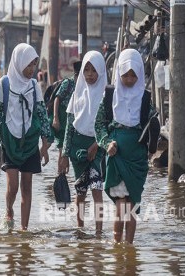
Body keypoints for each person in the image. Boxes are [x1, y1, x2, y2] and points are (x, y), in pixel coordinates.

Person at [94, 48, 156, 244]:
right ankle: (116, 245)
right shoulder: (110, 96)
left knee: (132, 204)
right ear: (118, 73)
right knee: (121, 204)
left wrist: (151, 147)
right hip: (116, 155)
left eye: (133, 75)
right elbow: (99, 125)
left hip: (137, 158)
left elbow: (152, 125)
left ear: (139, 74)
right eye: (125, 75)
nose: (129, 79)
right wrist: (106, 143)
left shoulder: (146, 98)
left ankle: (129, 246)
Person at [0, 43, 53, 230]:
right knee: (13, 186)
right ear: (19, 63)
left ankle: (24, 229)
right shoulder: (4, 84)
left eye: (34, 65)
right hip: (9, 140)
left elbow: (42, 114)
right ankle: (9, 209)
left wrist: (45, 142)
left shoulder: (34, 86)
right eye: (28, 65)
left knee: (27, 185)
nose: (31, 69)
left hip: (29, 140)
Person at [58, 51, 107, 235]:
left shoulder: (106, 96)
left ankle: (99, 231)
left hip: (97, 145)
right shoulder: (77, 94)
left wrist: (96, 144)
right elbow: (69, 128)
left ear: (101, 71)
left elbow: (107, 126)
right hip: (77, 148)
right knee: (80, 191)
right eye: (86, 70)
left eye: (94, 70)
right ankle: (80, 229)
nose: (89, 75)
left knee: (96, 188)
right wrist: (64, 154)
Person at [51, 60, 81, 169]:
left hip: (76, 117)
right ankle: (61, 174)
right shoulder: (68, 83)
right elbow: (57, 99)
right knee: (62, 148)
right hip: (63, 117)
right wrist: (55, 118)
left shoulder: (85, 85)